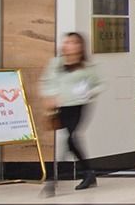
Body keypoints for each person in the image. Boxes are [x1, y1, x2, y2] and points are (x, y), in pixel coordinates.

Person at [39, 31, 104, 194]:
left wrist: (89, 92)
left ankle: (54, 180)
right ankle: (88, 173)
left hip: (79, 105)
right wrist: (50, 97)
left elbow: (99, 84)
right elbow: (47, 82)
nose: (70, 46)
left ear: (81, 46)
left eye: (74, 43)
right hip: (62, 106)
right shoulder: (56, 63)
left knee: (70, 138)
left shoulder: (86, 67)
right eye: (67, 42)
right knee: (70, 140)